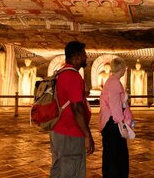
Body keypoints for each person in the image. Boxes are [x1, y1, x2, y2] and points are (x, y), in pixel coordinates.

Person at [50, 41, 94, 178]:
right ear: (76, 56)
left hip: (57, 130)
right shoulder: (73, 76)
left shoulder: (60, 73)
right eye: (84, 54)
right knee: (71, 170)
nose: (86, 57)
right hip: (71, 133)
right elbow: (76, 108)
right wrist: (87, 135)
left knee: (58, 168)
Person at [99, 57, 133, 178]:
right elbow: (115, 106)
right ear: (121, 68)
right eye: (125, 68)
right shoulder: (113, 83)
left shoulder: (112, 81)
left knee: (113, 155)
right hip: (113, 123)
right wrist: (122, 124)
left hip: (111, 123)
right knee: (116, 157)